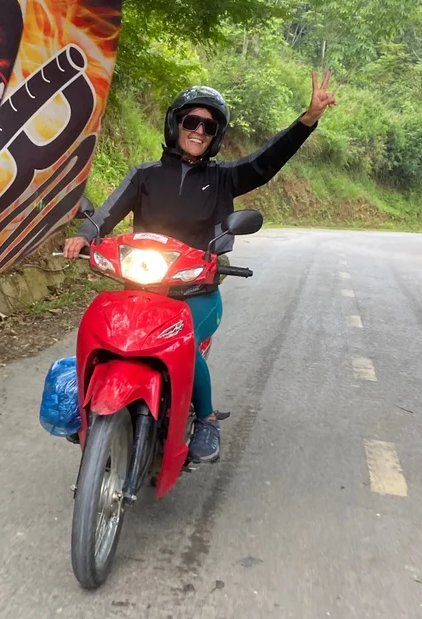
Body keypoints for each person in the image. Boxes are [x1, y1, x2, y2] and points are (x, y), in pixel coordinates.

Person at [63, 71, 337, 462]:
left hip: (196, 293)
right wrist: (86, 235)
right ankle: (87, 404)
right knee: (105, 330)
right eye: (191, 121)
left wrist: (307, 119)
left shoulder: (222, 178)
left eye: (208, 126)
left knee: (182, 339)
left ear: (216, 135)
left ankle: (206, 417)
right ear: (175, 124)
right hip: (143, 288)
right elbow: (107, 211)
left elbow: (265, 163)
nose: (198, 130)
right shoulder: (145, 175)